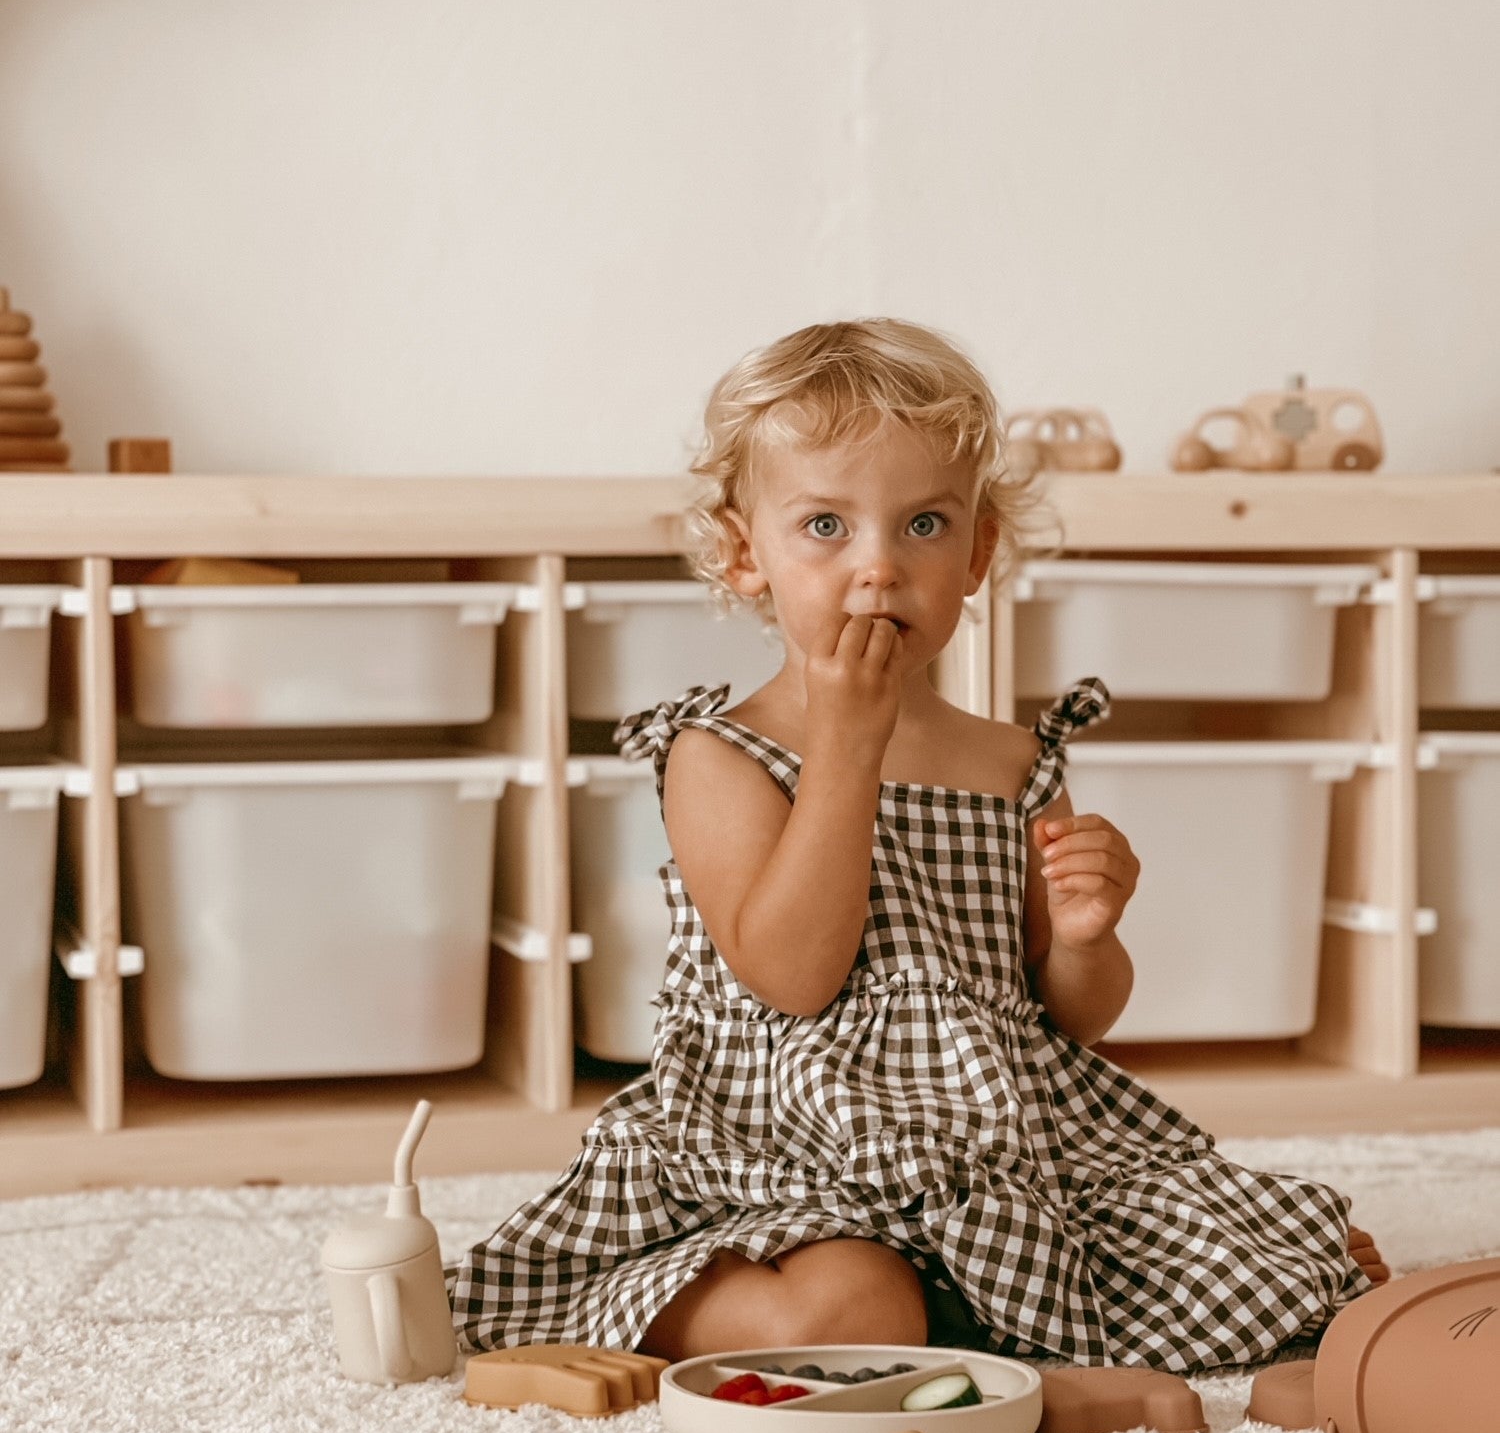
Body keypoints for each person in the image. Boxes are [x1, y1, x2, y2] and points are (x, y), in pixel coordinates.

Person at [446, 317, 1389, 1370]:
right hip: (789, 1145)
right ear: (742, 551)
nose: (880, 567)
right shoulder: (718, 755)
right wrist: (848, 746)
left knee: (1263, 1267)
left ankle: (965, 1317)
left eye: (926, 525)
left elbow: (1069, 1015)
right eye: (826, 526)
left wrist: (1084, 935)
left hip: (999, 1142)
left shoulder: (1011, 760)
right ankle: (647, 1294)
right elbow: (794, 976)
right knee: (847, 1310)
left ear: (980, 551)